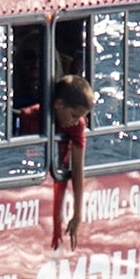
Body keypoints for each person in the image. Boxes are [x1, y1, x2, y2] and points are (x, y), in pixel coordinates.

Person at [47, 75, 94, 251]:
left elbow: (77, 171)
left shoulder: (76, 126)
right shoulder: (33, 116)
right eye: (74, 115)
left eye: (80, 117)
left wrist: (77, 215)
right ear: (58, 104)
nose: (75, 120)